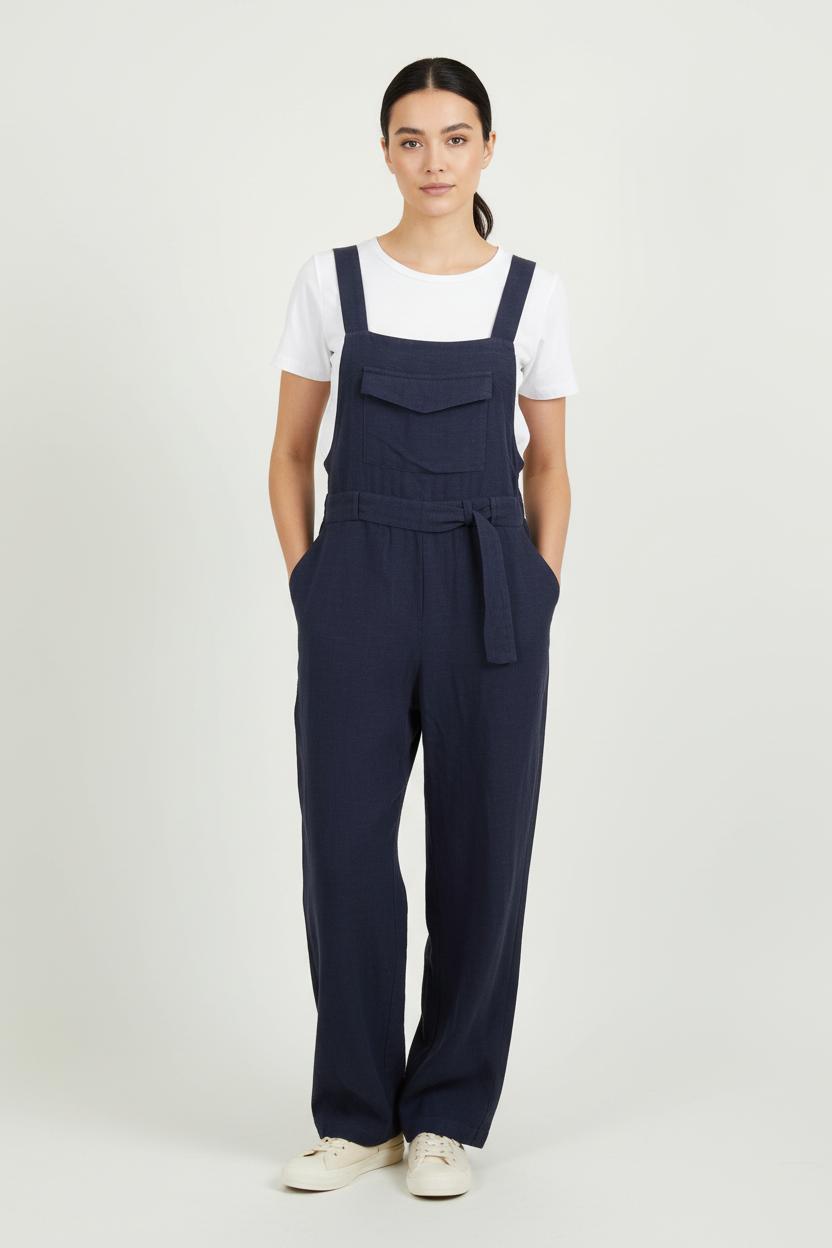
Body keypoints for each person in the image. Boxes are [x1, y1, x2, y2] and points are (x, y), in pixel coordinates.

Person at [269, 57, 578, 1199]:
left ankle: (444, 1115)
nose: (434, 160)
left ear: (487, 148)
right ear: (386, 152)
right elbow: (289, 453)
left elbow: (549, 463)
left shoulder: (531, 293)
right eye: (412, 138)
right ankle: (358, 1117)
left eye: (455, 138)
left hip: (489, 584)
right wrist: (313, 582)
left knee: (482, 853)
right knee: (344, 849)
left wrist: (538, 586)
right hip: (357, 578)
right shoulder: (333, 281)